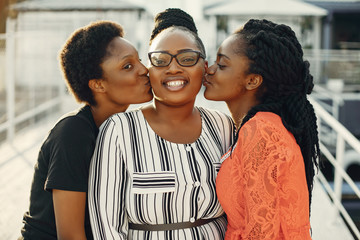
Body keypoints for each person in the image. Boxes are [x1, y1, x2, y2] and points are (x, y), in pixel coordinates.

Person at [88, 8, 234, 239]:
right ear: (149, 70)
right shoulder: (119, 130)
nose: (173, 68)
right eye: (161, 60)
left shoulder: (224, 126)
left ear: (204, 68)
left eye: (187, 58)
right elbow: (106, 227)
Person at [19, 20, 152, 240]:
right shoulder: (73, 133)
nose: (144, 70)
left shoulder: (124, 128)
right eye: (128, 66)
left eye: (139, 60)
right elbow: (70, 235)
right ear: (98, 84)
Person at [203, 19, 320, 239]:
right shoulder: (258, 126)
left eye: (222, 65)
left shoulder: (261, 131)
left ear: (253, 80)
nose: (209, 70)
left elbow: (261, 232)